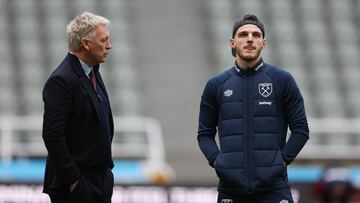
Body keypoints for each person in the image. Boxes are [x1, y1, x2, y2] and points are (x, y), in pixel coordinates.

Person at [197, 14, 309, 203]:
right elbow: (204, 134)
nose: (250, 39)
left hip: (274, 189)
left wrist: (280, 162)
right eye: (243, 35)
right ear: (232, 42)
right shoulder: (216, 85)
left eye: (256, 35)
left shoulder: (282, 80)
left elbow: (301, 130)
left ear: (263, 43)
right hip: (231, 191)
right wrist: (218, 163)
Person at [42, 12, 114, 203]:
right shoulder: (61, 80)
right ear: (86, 43)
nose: (109, 45)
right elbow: (52, 135)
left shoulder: (93, 71)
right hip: (74, 187)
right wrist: (74, 182)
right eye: (104, 40)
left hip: (99, 182)